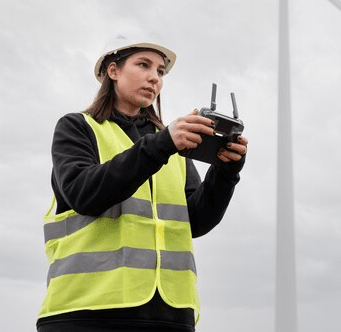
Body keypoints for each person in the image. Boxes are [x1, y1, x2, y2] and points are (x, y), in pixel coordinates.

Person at [37, 33, 248, 332]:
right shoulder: (77, 127)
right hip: (87, 313)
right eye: (144, 65)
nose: (155, 78)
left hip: (170, 315)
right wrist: (161, 144)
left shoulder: (173, 145)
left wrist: (226, 173)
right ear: (113, 71)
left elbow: (197, 221)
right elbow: (84, 195)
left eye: (160, 72)